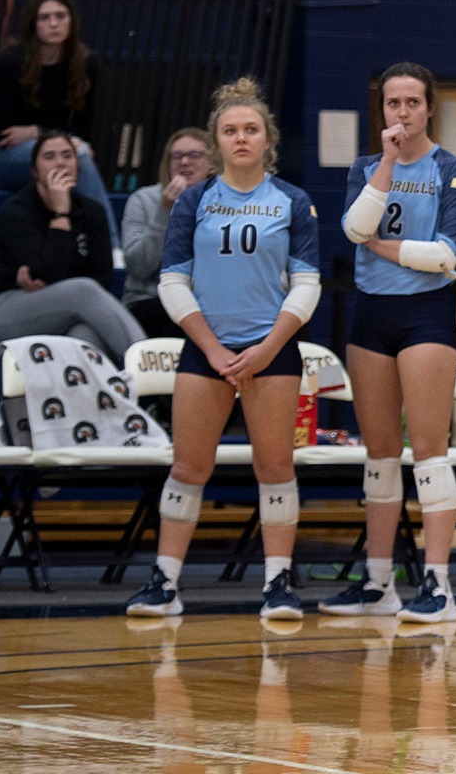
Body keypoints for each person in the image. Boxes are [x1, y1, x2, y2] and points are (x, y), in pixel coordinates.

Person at [125, 79, 320, 620]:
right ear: (216, 142)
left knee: (276, 467)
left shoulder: (292, 201)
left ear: (267, 139)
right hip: (206, 352)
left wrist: (264, 349)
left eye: (250, 130)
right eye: (230, 130)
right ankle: (164, 584)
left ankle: (278, 585)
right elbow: (171, 281)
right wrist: (211, 350)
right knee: (188, 466)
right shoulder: (194, 200)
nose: (241, 138)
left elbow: (306, 286)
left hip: (272, 353)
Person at [319, 63, 456, 624]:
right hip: (370, 318)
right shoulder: (367, 166)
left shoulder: (452, 170)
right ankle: (378, 584)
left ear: (430, 107)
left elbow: (444, 256)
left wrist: (386, 249)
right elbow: (355, 229)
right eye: (392, 104)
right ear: (380, 111)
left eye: (411, 103)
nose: (402, 113)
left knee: (429, 452)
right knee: (379, 456)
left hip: (426, 318)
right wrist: (386, 161)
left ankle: (437, 586)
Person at [0, 130, 144, 364]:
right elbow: (51, 272)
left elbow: (102, 279)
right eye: (49, 156)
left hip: (67, 314)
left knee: (85, 336)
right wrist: (60, 214)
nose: (60, 163)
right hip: (5, 312)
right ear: (34, 171)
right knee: (83, 291)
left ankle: (90, 400)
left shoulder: (92, 211)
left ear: (78, 165)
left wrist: (50, 285)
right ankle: (148, 366)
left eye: (67, 155)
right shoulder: (16, 211)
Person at [0, 0, 117, 242]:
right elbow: (3, 133)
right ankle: (110, 243)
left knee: (76, 154)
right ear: (32, 24)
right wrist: (56, 136)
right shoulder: (10, 62)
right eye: (44, 17)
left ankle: (94, 246)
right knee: (74, 154)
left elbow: (87, 131)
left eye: (60, 16)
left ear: (72, 20)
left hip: (62, 153)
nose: (54, 24)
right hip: (7, 160)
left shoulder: (86, 64)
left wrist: (37, 131)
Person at [122, 129, 212, 339]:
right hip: (150, 300)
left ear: (212, 161)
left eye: (195, 155)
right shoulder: (143, 200)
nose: (185, 162)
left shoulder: (224, 203)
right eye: (177, 156)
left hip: (205, 303)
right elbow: (139, 267)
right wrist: (164, 211)